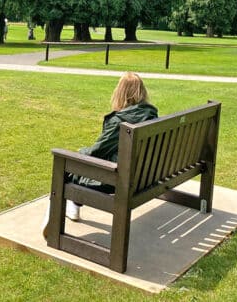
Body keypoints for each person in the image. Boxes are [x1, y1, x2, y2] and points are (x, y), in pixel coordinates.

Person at [42, 72, 158, 237]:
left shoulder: (120, 121)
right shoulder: (151, 115)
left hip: (122, 180)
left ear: (120, 92)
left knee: (67, 168)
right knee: (77, 166)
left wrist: (80, 152)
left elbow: (96, 152)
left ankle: (54, 218)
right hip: (144, 176)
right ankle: (73, 206)